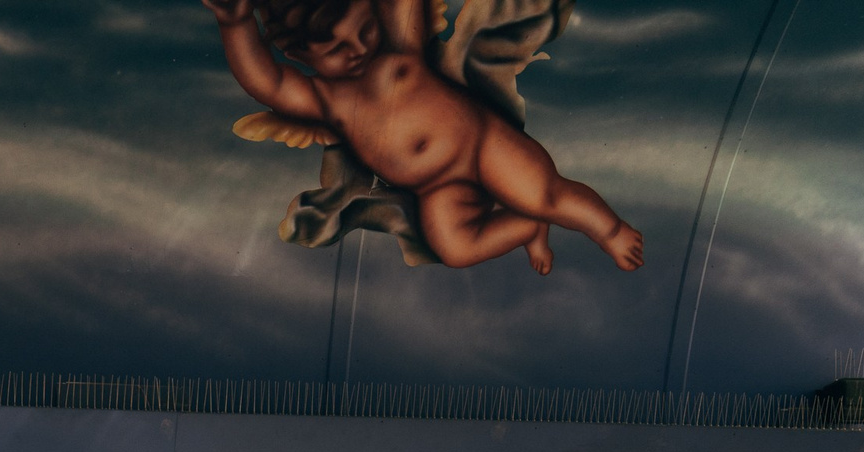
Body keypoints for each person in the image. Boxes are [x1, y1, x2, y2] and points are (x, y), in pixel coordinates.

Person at [204, 0, 641, 274]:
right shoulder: (326, 98)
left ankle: (608, 229)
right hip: (437, 188)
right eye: (337, 49)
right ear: (301, 55)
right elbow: (268, 84)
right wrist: (236, 22)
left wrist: (613, 230)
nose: (357, 49)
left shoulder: (399, 49)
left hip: (483, 146)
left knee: (547, 193)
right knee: (454, 247)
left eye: (364, 30)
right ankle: (529, 223)